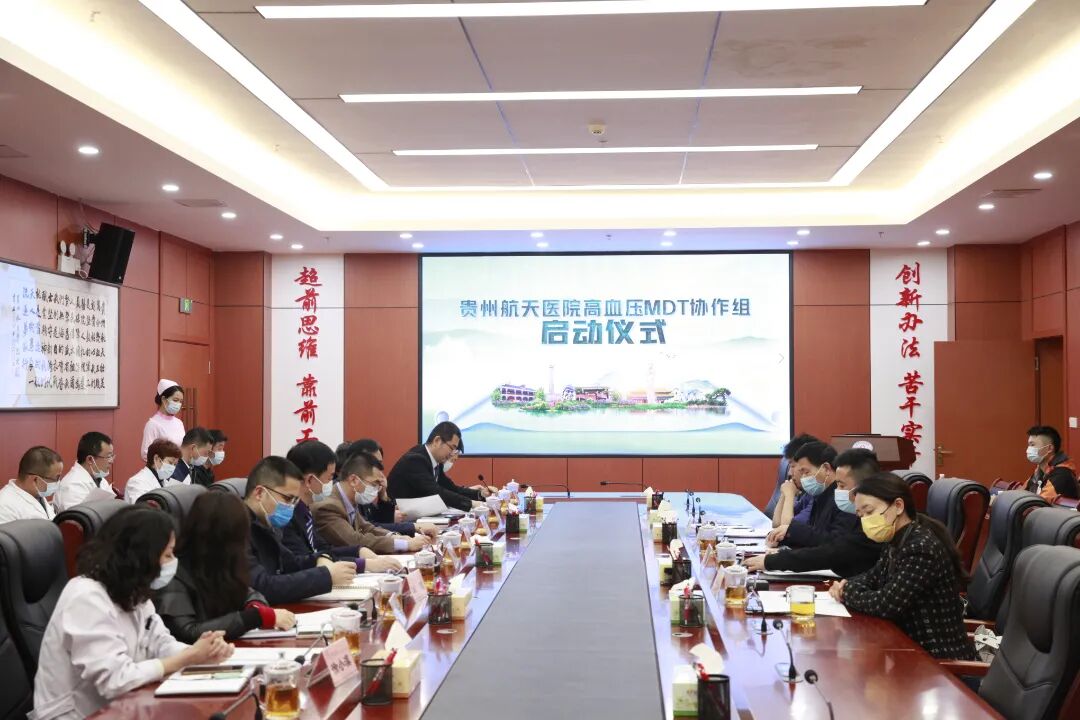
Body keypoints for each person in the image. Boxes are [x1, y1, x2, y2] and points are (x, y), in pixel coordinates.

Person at [31, 505, 234, 720]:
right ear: (142, 557)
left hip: (126, 706)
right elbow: (115, 680)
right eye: (167, 555)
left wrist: (202, 653)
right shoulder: (86, 598)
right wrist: (186, 658)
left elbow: (160, 643)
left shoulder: (133, 591)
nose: (173, 562)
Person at [830, 472, 977, 660]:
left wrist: (846, 592)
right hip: (908, 650)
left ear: (898, 506)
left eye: (869, 512)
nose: (865, 520)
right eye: (861, 515)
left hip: (937, 660)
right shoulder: (897, 539)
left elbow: (886, 604)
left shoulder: (920, 548)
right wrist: (846, 584)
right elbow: (872, 577)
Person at [154, 492, 296, 643]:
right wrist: (255, 617)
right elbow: (188, 632)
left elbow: (247, 591)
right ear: (224, 538)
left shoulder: (220, 561)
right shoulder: (174, 571)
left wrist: (255, 605)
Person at [747, 449, 882, 578]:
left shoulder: (871, 521)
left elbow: (833, 551)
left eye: (841, 485)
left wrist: (773, 561)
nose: (837, 491)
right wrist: (786, 537)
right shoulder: (824, 498)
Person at [244, 456, 358, 605]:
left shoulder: (265, 524)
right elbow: (263, 587)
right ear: (259, 493)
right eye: (288, 499)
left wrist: (319, 559)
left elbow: (291, 563)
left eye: (295, 501)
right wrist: (326, 576)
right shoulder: (233, 526)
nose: (291, 506)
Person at [282, 440, 403, 574]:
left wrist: (358, 551)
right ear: (310, 480)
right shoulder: (288, 516)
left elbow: (324, 550)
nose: (332, 483)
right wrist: (363, 564)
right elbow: (302, 561)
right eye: (330, 478)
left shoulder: (305, 510)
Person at [315, 452, 433, 552]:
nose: (377, 489)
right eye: (374, 484)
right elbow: (354, 540)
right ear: (354, 480)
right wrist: (405, 544)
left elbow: (367, 528)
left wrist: (395, 537)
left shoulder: (349, 498)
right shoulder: (328, 506)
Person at [766, 441, 858, 550]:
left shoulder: (843, 499)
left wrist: (792, 530)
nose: (803, 478)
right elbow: (813, 539)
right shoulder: (819, 496)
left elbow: (834, 543)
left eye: (806, 472)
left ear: (826, 469)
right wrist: (781, 538)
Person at [387, 421, 484, 512]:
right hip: (396, 517)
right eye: (451, 448)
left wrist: (479, 494)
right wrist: (472, 504)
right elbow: (436, 492)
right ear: (437, 441)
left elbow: (451, 488)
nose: (452, 454)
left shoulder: (436, 461)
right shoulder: (415, 460)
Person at [55, 431, 115, 511]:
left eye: (112, 456)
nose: (111, 461)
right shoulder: (72, 485)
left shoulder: (100, 480)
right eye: (108, 456)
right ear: (90, 459)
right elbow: (77, 516)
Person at [0, 446, 62, 523]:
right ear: (35, 480)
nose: (58, 483)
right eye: (55, 478)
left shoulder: (37, 494)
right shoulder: (4, 506)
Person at [763, 433, 818, 517]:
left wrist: (789, 495)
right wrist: (784, 495)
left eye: (792, 466)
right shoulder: (806, 495)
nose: (789, 473)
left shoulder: (816, 496)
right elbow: (776, 522)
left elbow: (788, 524)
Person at [1023, 425, 1079, 502]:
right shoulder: (1040, 472)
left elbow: (1039, 503)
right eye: (1029, 445)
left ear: (1049, 448)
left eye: (1032, 445)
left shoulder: (1062, 474)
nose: (1029, 449)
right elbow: (1021, 494)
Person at [141, 379, 186, 461]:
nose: (178, 404)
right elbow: (145, 453)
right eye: (175, 400)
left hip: (178, 466)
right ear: (164, 399)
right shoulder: (153, 424)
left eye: (181, 401)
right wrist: (164, 464)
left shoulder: (179, 423)